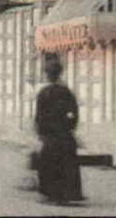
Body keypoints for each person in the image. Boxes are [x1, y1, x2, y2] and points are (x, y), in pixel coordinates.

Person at [33, 58, 84, 205]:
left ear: (47, 75)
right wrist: (70, 127)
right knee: (67, 164)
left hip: (50, 135)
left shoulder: (44, 93)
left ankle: (51, 194)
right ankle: (66, 194)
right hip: (64, 134)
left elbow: (39, 116)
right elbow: (74, 112)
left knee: (48, 164)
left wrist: (41, 133)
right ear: (60, 74)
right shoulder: (66, 92)